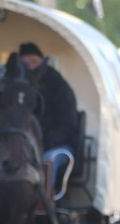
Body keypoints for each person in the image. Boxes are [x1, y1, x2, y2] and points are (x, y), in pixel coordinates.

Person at [19, 42, 79, 200]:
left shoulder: (59, 86)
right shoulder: (17, 86)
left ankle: (41, 203)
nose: (30, 67)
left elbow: (67, 124)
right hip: (25, 146)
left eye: (33, 62)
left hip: (56, 146)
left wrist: (43, 144)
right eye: (25, 63)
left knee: (47, 161)